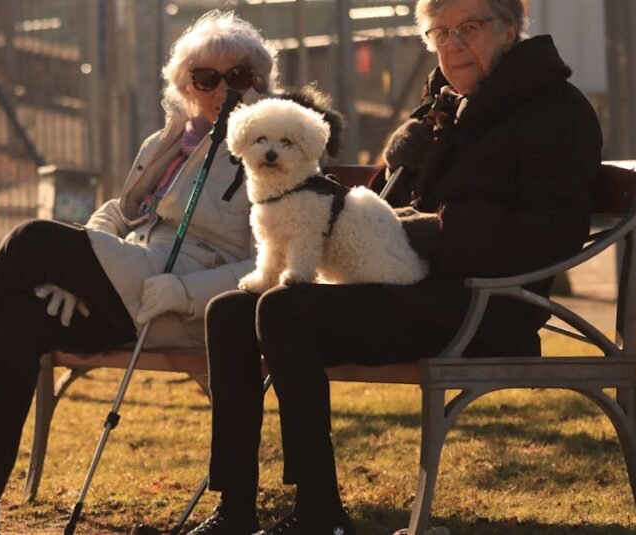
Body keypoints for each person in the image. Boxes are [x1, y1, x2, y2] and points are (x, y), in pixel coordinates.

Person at [0, 11, 285, 534]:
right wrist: (75, 274)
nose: (223, 89)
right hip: (129, 279)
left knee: (32, 238)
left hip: (179, 306)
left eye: (239, 77)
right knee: (23, 316)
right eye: (208, 78)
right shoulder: (169, 142)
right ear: (186, 85)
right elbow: (120, 213)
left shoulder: (269, 150)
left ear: (260, 83)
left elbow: (269, 264)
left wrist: (182, 290)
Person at [190, 0, 603, 533]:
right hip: (405, 289)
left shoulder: (556, 109)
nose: (452, 45)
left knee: (286, 308)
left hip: (481, 304)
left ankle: (319, 513)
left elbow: (554, 232)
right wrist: (399, 158)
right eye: (440, 32)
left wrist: (439, 228)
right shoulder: (445, 104)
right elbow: (383, 207)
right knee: (228, 313)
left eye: (469, 29)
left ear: (510, 28)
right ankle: (235, 510)